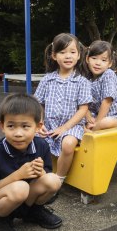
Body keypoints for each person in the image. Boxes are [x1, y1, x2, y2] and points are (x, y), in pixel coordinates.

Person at [0, 93, 63, 231]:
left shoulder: (41, 145)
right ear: (2, 126)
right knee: (20, 187)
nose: (18, 133)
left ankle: (32, 212)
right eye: (11, 126)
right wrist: (18, 175)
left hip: (25, 199)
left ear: (38, 127)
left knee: (53, 180)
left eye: (25, 126)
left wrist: (41, 172)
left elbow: (46, 176)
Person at [35, 33, 92, 184]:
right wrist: (39, 123)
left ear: (79, 55)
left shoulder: (82, 82)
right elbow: (38, 103)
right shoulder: (47, 79)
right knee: (31, 140)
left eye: (72, 52)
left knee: (67, 144)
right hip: (49, 124)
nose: (68, 56)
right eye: (62, 52)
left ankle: (58, 179)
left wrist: (64, 128)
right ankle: (36, 175)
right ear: (54, 56)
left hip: (71, 126)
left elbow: (83, 109)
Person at [83, 40, 117, 131]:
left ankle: (90, 132)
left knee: (106, 122)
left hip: (116, 117)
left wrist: (97, 123)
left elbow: (107, 102)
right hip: (97, 116)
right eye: (94, 58)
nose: (98, 63)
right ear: (87, 59)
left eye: (103, 60)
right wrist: (88, 117)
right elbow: (83, 102)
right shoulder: (87, 80)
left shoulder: (108, 75)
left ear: (110, 63)